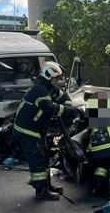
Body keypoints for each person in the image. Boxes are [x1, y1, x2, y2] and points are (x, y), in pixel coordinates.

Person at [13, 61, 77, 201]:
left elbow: (64, 97)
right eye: (57, 78)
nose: (58, 81)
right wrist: (71, 111)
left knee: (44, 157)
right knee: (38, 160)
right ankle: (41, 192)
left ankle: (47, 186)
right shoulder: (39, 90)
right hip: (27, 130)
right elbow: (51, 108)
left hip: (36, 129)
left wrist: (68, 105)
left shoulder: (49, 87)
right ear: (49, 76)